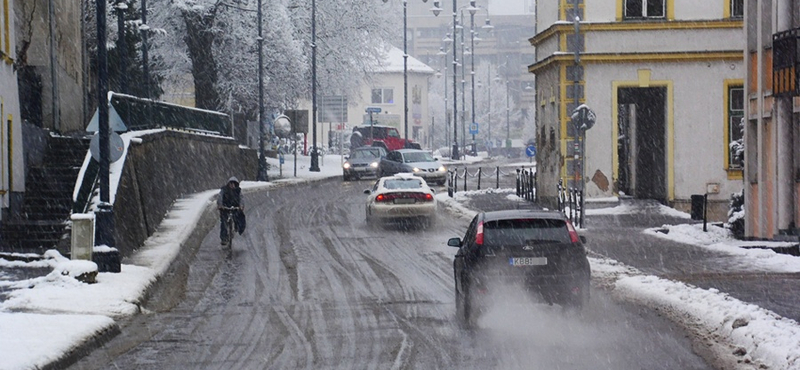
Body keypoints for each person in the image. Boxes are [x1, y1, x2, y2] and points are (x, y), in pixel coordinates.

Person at [217, 177, 246, 245]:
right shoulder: (224, 190)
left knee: (239, 219)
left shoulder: (238, 191)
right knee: (224, 223)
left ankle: (237, 229)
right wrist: (220, 205)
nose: (232, 185)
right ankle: (224, 238)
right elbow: (220, 197)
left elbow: (241, 198)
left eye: (234, 184)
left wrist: (241, 206)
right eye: (231, 183)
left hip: (235, 208)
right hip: (225, 208)